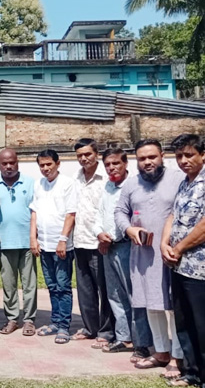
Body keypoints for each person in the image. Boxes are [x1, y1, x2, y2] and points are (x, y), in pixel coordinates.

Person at [115, 139, 184, 376]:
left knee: (173, 305)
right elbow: (120, 211)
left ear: (162, 156)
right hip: (143, 254)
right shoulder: (131, 184)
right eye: (142, 158)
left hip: (173, 253)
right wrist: (129, 230)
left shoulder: (177, 179)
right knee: (151, 303)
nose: (148, 162)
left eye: (152, 157)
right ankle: (161, 351)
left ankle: (177, 355)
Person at [94, 149, 149, 355]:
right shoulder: (107, 186)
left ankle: (141, 341)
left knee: (134, 295)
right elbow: (99, 215)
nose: (112, 168)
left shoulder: (135, 185)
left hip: (128, 246)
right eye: (108, 164)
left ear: (126, 163)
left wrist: (113, 237)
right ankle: (124, 337)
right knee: (115, 295)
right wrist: (99, 233)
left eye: (116, 163)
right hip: (108, 247)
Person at [161, 133, 205, 387]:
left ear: (202, 155)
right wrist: (164, 244)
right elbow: (172, 216)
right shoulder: (184, 183)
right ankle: (191, 372)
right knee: (184, 320)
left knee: (201, 323)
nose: (184, 160)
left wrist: (178, 248)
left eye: (189, 155)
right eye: (179, 156)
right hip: (178, 266)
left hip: (199, 267)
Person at [30, 150, 78, 344]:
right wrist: (33, 238)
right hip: (44, 245)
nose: (45, 168)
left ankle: (65, 327)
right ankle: (55, 322)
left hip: (61, 245)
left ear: (58, 164)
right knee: (51, 285)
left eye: (49, 164)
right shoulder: (38, 184)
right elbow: (34, 212)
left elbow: (71, 214)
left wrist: (63, 239)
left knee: (63, 285)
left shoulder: (67, 184)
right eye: (42, 165)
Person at [72, 139, 115, 347]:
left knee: (104, 290)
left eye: (87, 154)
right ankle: (90, 328)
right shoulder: (76, 178)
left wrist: (106, 236)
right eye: (80, 155)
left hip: (99, 243)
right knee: (85, 289)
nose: (84, 158)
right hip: (79, 241)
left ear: (96, 153)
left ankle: (106, 331)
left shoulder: (106, 178)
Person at [0, 149, 37, 336]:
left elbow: (36, 211)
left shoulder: (30, 183)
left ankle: (29, 320)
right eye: (4, 163)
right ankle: (12, 318)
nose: (8, 166)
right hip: (4, 242)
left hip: (27, 241)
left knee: (30, 283)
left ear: (18, 162)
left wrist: (34, 237)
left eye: (12, 162)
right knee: (8, 283)